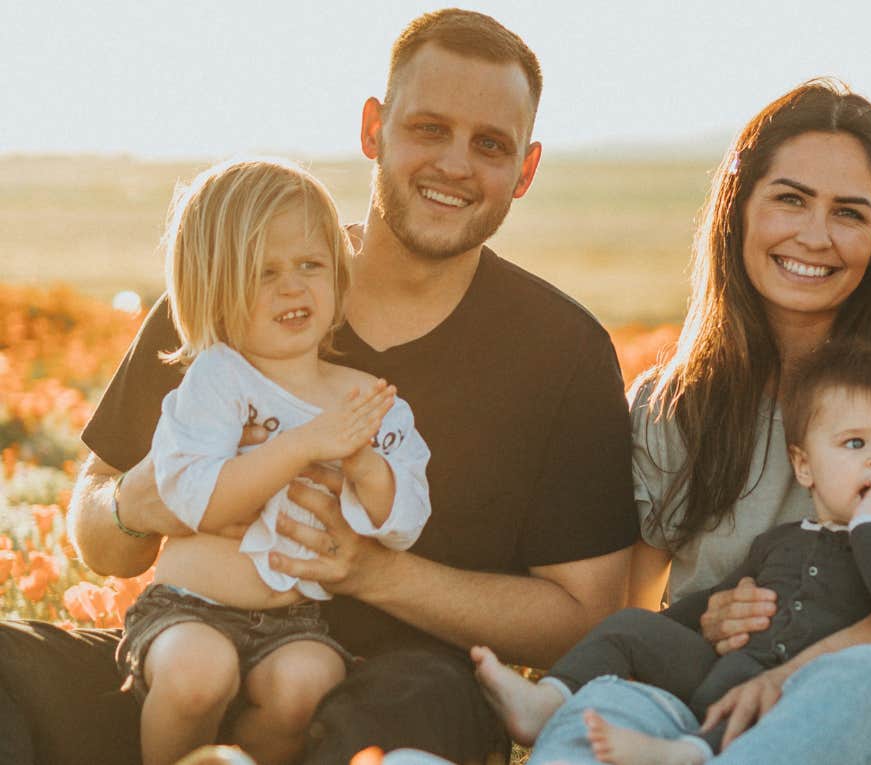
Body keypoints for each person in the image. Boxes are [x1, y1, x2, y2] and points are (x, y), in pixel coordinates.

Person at [0, 9, 637, 765]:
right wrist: (140, 499)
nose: (456, 165)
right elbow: (97, 531)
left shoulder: (562, 352)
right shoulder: (237, 288)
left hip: (396, 693)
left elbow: (582, 615)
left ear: (525, 171)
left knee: (408, 717)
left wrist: (371, 569)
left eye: (490, 145)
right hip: (186, 660)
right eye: (428, 129)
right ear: (374, 129)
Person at [526, 79, 871, 765]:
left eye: (849, 212)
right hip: (706, 700)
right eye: (790, 198)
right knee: (602, 709)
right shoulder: (673, 399)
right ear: (738, 207)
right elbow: (629, 607)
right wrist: (707, 620)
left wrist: (784, 677)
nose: (814, 235)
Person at [472, 342, 871, 764]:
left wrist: (868, 527)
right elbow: (710, 603)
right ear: (804, 466)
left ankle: (690, 752)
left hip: (805, 698)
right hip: (724, 671)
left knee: (768, 704)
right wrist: (674, 630)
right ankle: (549, 700)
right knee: (630, 627)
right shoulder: (779, 542)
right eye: (856, 443)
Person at [121, 157, 433, 765]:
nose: (293, 287)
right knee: (196, 676)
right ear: (213, 288)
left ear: (339, 277)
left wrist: (367, 466)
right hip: (189, 606)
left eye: (310, 266)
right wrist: (302, 445)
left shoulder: (365, 397)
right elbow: (196, 498)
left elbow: (405, 520)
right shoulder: (217, 379)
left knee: (307, 686)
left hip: (294, 622)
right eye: (263, 273)